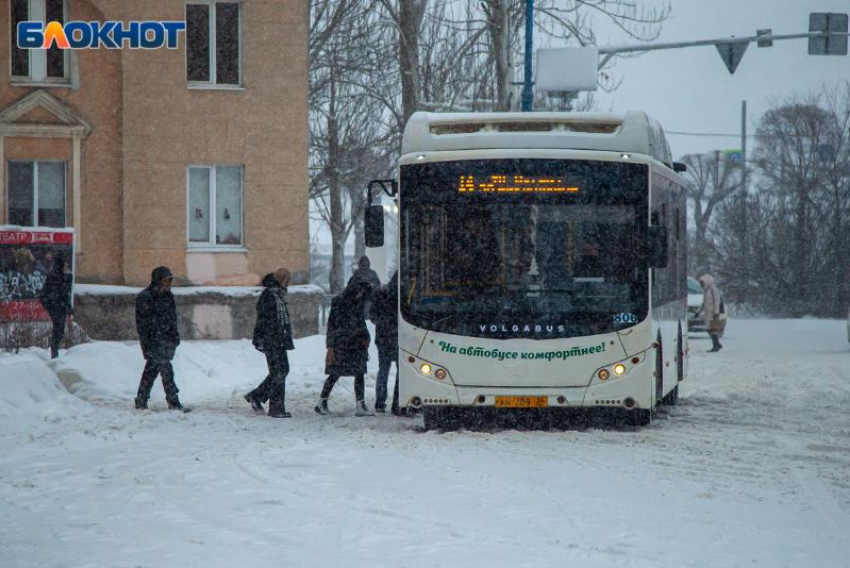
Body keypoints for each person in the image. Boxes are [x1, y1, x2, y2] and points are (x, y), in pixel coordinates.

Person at [315, 278, 374, 416]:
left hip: (347, 344)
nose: (361, 294)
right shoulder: (348, 302)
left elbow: (333, 324)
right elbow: (349, 324)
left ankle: (323, 402)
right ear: (355, 290)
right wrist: (331, 345)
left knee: (343, 373)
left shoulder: (343, 301)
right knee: (343, 373)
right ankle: (359, 405)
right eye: (360, 291)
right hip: (349, 344)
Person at [134, 266, 188, 412]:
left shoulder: (168, 296)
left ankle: (141, 399)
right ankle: (173, 401)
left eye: (169, 281)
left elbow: (172, 319)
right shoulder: (146, 296)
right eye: (164, 280)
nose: (167, 284)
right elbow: (143, 323)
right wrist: (148, 341)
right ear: (157, 280)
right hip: (154, 341)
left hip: (166, 340)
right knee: (166, 369)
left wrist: (174, 336)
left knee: (151, 371)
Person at [244, 268, 295, 418]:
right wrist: (261, 339)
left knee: (281, 370)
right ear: (282, 280)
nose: (288, 284)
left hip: (278, 339)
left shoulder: (276, 294)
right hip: (272, 339)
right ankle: (276, 408)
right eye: (287, 281)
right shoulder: (269, 295)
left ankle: (257, 396)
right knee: (279, 372)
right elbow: (263, 319)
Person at [371, 272, 400, 414]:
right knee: (402, 373)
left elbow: (372, 315)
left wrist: (383, 323)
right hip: (400, 339)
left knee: (383, 371)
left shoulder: (380, 293)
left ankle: (380, 403)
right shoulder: (403, 295)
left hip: (383, 338)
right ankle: (398, 403)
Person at [38, 253, 73, 359]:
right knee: (58, 330)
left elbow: (65, 294)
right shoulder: (54, 276)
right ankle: (54, 354)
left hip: (59, 306)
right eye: (65, 263)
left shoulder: (62, 275)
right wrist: (52, 306)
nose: (67, 265)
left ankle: (55, 353)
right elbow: (57, 293)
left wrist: (69, 309)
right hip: (56, 306)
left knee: (59, 330)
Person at [698, 274, 726, 353]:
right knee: (709, 329)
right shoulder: (706, 290)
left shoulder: (713, 289)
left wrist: (716, 312)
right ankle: (717, 344)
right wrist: (698, 311)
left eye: (702, 283)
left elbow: (717, 301)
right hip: (708, 313)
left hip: (713, 313)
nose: (701, 284)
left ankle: (716, 345)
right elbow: (704, 302)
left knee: (712, 329)